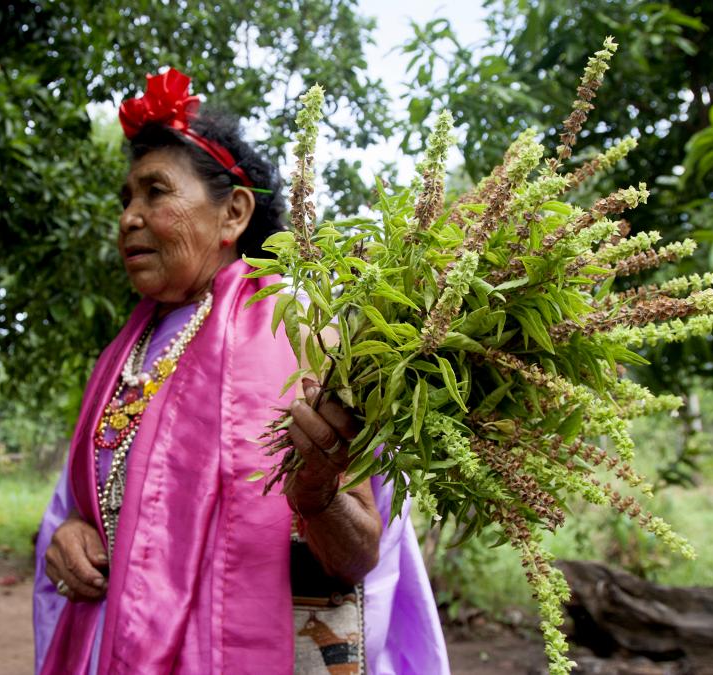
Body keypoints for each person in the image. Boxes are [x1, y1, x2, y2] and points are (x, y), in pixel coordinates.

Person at [33, 68, 449, 674]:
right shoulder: (120, 355)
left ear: (233, 213)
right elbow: (91, 501)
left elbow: (359, 552)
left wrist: (317, 492)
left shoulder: (298, 328)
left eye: (155, 192)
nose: (128, 217)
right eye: (126, 200)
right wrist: (68, 535)